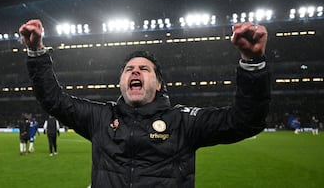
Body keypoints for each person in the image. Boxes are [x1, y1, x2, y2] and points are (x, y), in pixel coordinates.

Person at [20, 19, 270, 187]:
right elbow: (53, 100)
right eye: (129, 69)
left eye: (144, 69)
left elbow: (245, 121)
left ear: (159, 84)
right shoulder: (100, 117)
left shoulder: (183, 121)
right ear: (121, 82)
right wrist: (36, 52)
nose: (135, 72)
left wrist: (252, 62)